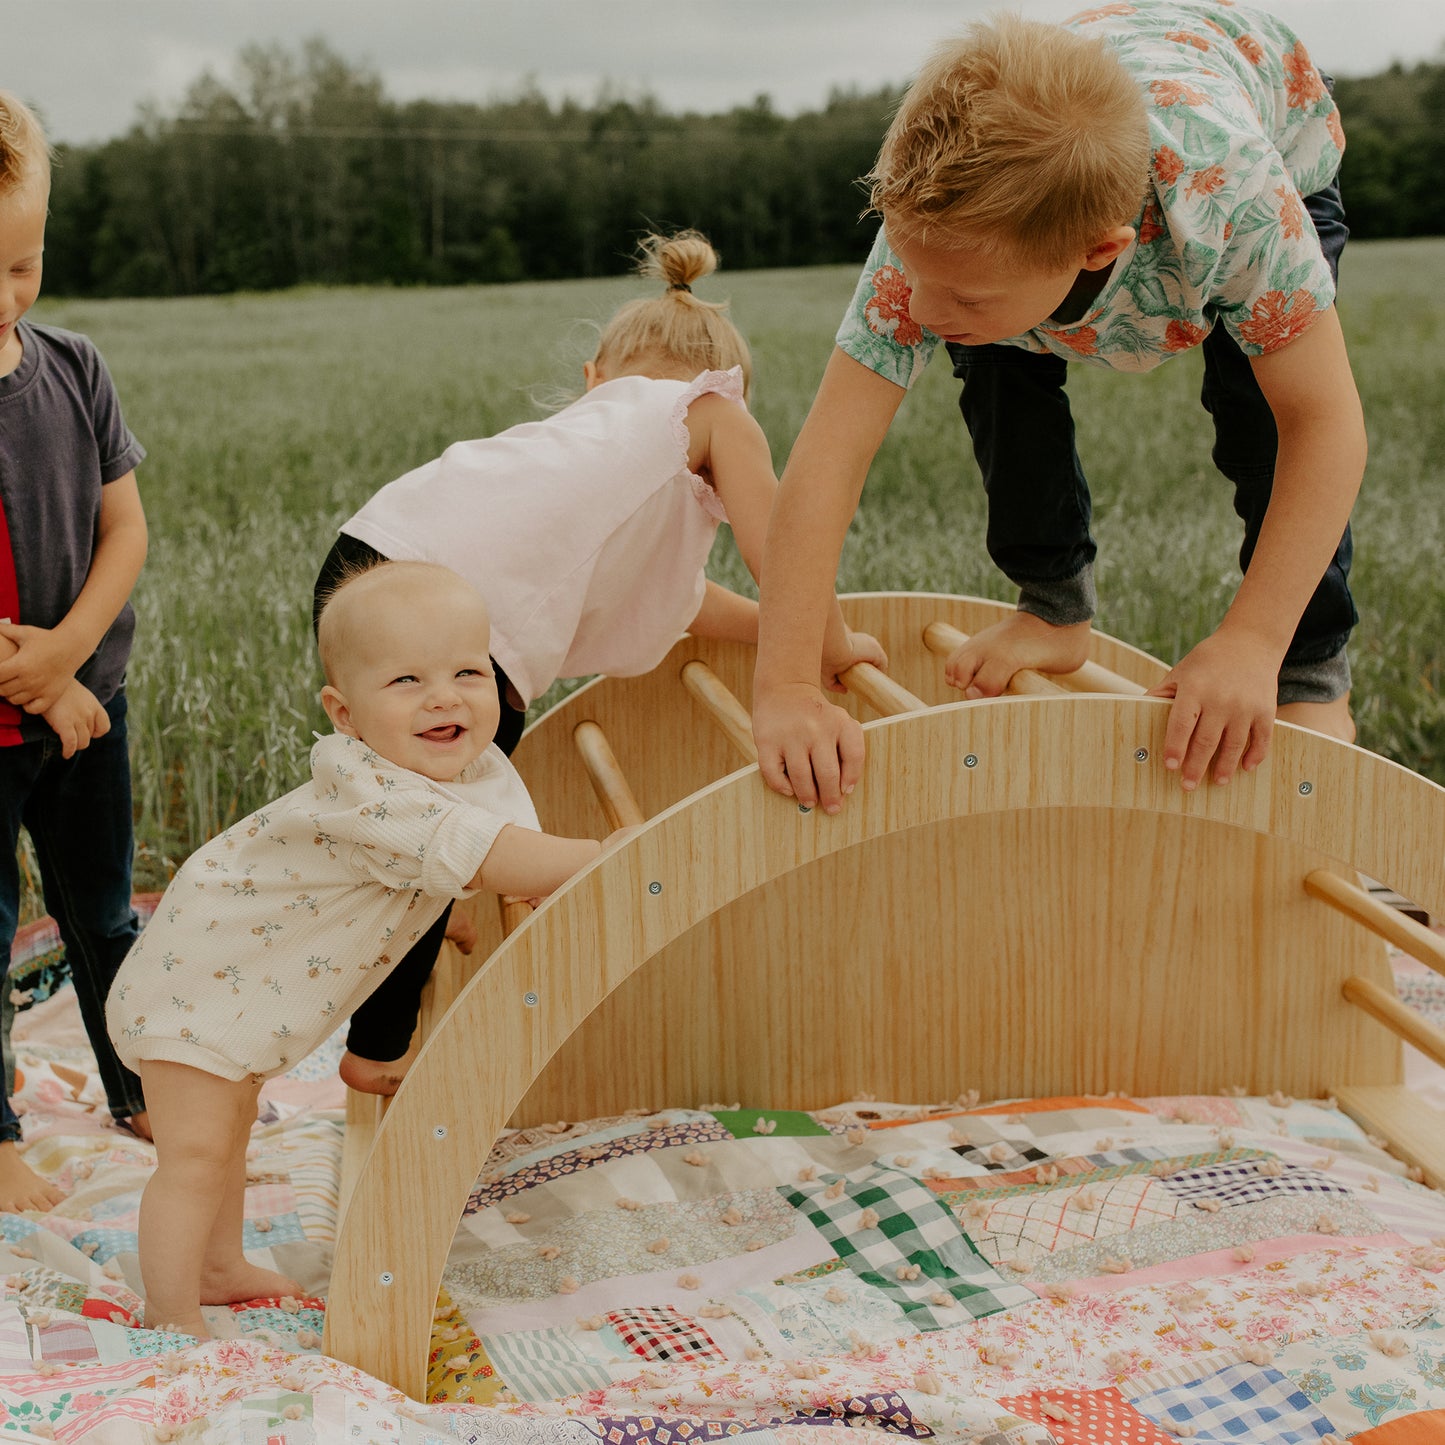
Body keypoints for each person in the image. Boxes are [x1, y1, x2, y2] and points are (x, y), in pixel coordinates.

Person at [751, 4, 1365, 813]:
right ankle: (1052, 605)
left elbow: (1325, 428)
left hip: (1266, 142)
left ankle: (1311, 672)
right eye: (910, 267)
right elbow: (828, 454)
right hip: (1081, 137)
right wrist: (789, 682)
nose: (922, 308)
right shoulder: (945, 235)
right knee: (988, 354)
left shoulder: (1236, 203)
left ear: (1100, 249)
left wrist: (1252, 640)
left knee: (1259, 417)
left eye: (957, 289)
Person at [314, 230, 885, 1092]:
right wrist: (828, 644)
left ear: (595, 375)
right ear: (724, 385)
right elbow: (786, 537)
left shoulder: (603, 451)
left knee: (419, 797)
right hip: (460, 620)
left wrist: (774, 629)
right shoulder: (713, 411)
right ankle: (378, 1048)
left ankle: (442, 911)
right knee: (438, 813)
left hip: (378, 559)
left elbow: (686, 605)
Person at [107, 560, 629, 1336]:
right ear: (344, 713)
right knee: (196, 1153)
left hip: (240, 989)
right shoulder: (375, 794)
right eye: (408, 680)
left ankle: (216, 1266)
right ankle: (171, 1311)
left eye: (466, 671)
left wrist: (449, 910)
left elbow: (449, 860)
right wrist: (614, 853)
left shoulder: (448, 768)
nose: (444, 695)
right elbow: (487, 853)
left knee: (234, 1123)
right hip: (197, 990)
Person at [0, 90, 151, 1213]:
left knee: (102, 907)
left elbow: (125, 526)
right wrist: (35, 679)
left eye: (24, 264)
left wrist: (73, 658)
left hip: (90, 701)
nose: (8, 296)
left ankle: (135, 1080)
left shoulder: (74, 366)